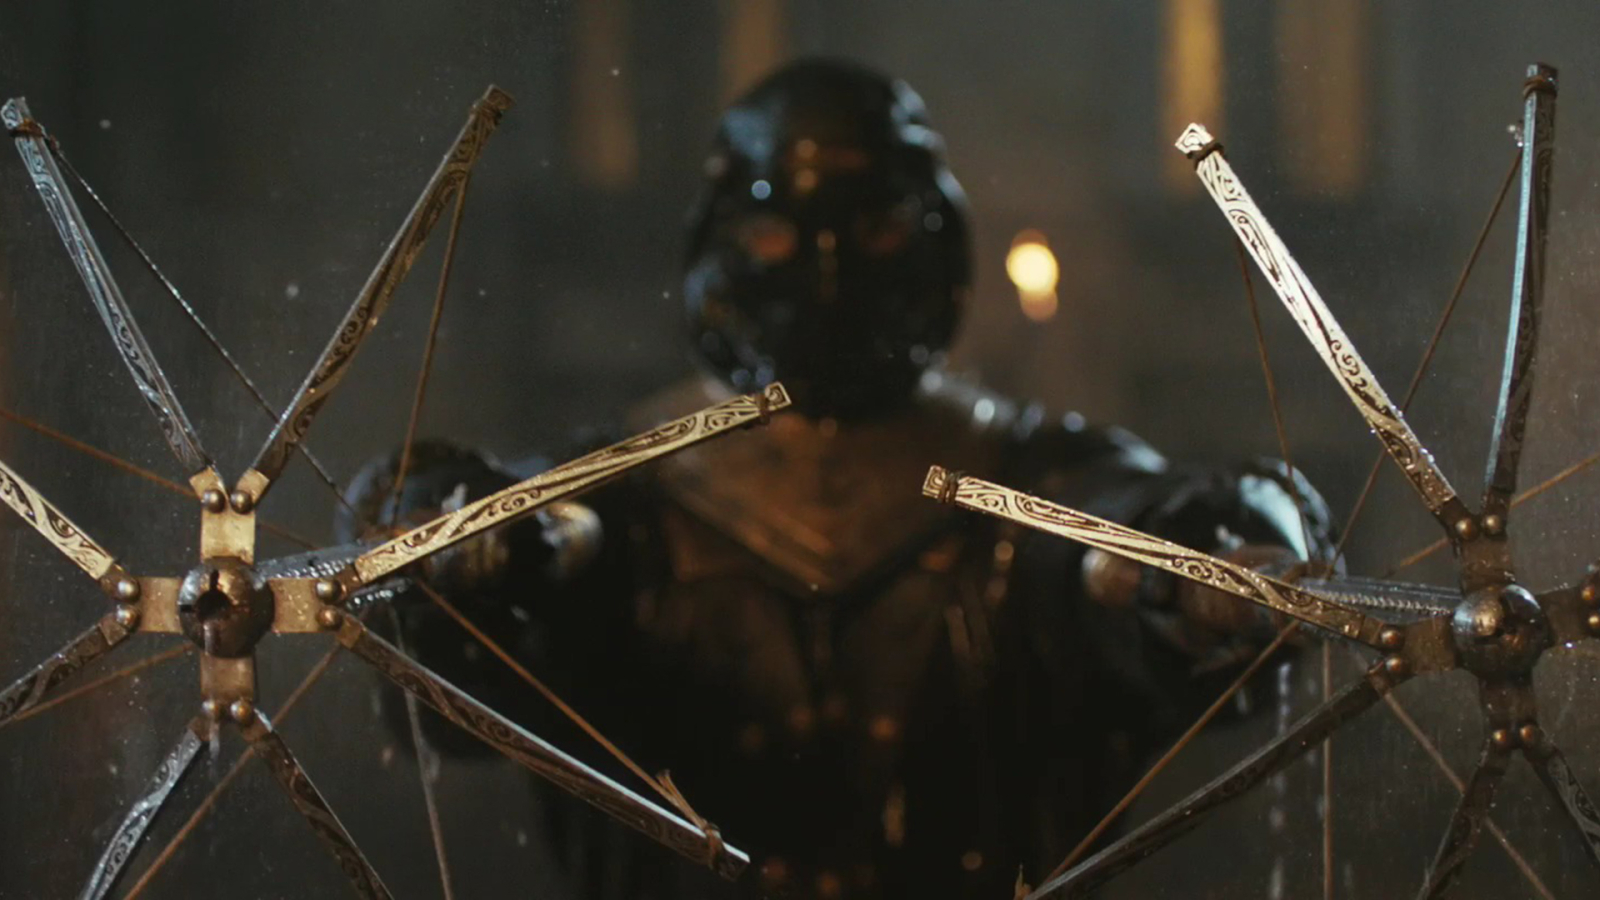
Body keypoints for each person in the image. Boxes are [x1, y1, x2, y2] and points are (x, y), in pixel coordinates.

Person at [338, 58, 1333, 900]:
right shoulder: (614, 504)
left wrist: (1212, 561)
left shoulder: (1033, 479)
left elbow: (1150, 525)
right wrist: (461, 545)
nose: (825, 270)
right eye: (780, 233)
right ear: (726, 239)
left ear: (928, 235)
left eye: (874, 231)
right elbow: (466, 572)